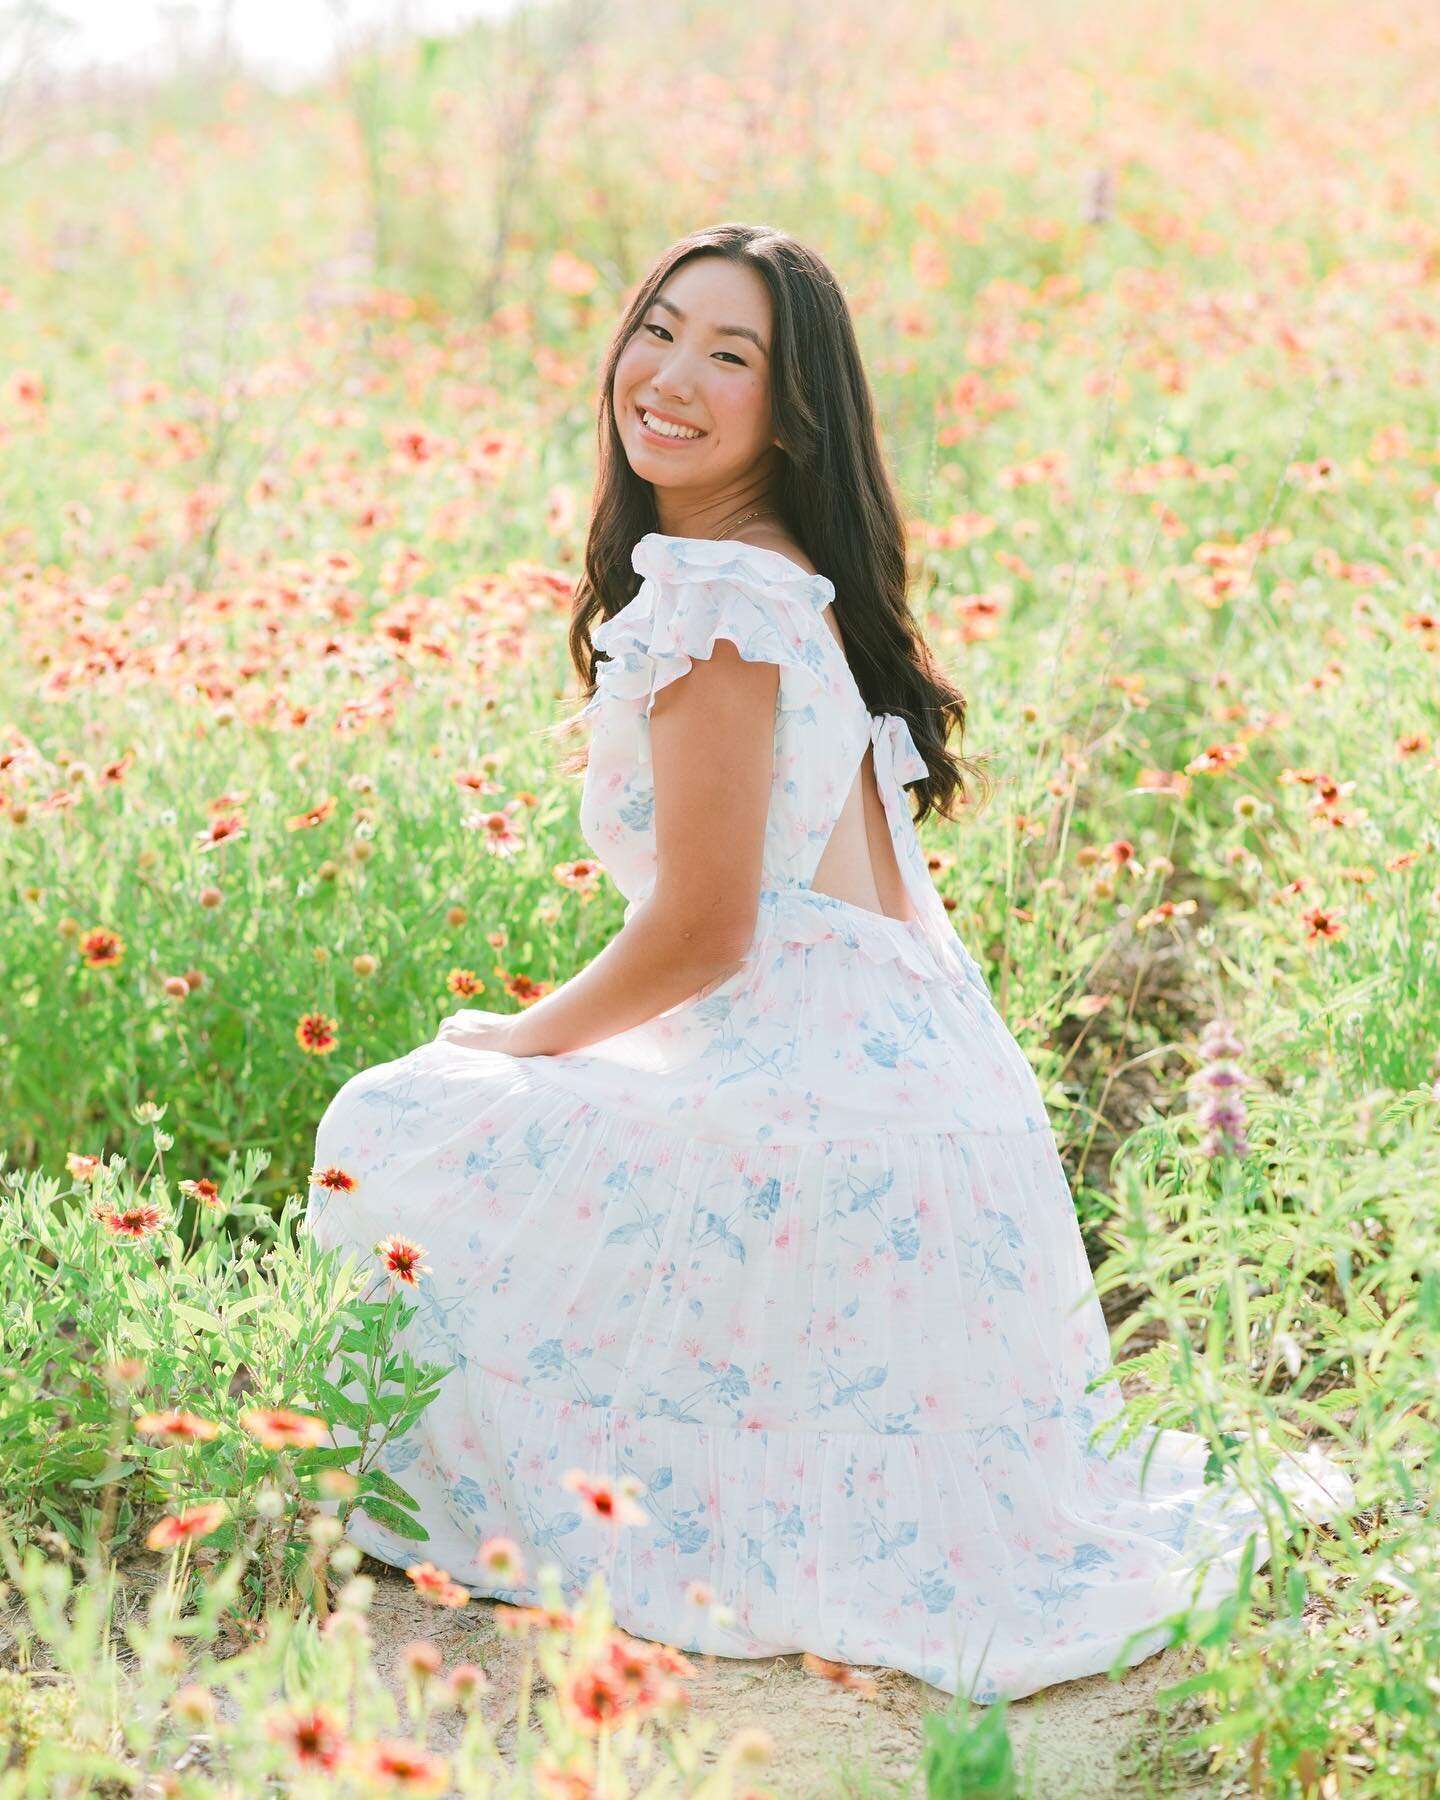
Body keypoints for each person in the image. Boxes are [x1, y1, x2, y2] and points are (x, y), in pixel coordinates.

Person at [305, 223, 1352, 1703]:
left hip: (823, 1114)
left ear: (792, 415)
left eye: (729, 355)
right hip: (917, 1106)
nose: (669, 375)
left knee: (398, 1120)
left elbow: (705, 932)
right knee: (497, 1122)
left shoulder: (724, 600)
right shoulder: (785, 576)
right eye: (657, 331)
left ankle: (443, 1499)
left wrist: (519, 1044)